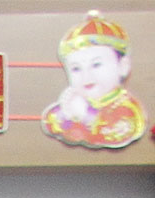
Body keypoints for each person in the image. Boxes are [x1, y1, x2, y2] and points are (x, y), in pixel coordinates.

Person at [42, 11, 147, 151]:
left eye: (96, 65)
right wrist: (67, 111)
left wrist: (86, 114)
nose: (86, 76)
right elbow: (52, 122)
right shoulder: (76, 100)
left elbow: (118, 133)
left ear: (123, 66)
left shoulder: (126, 106)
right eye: (76, 69)